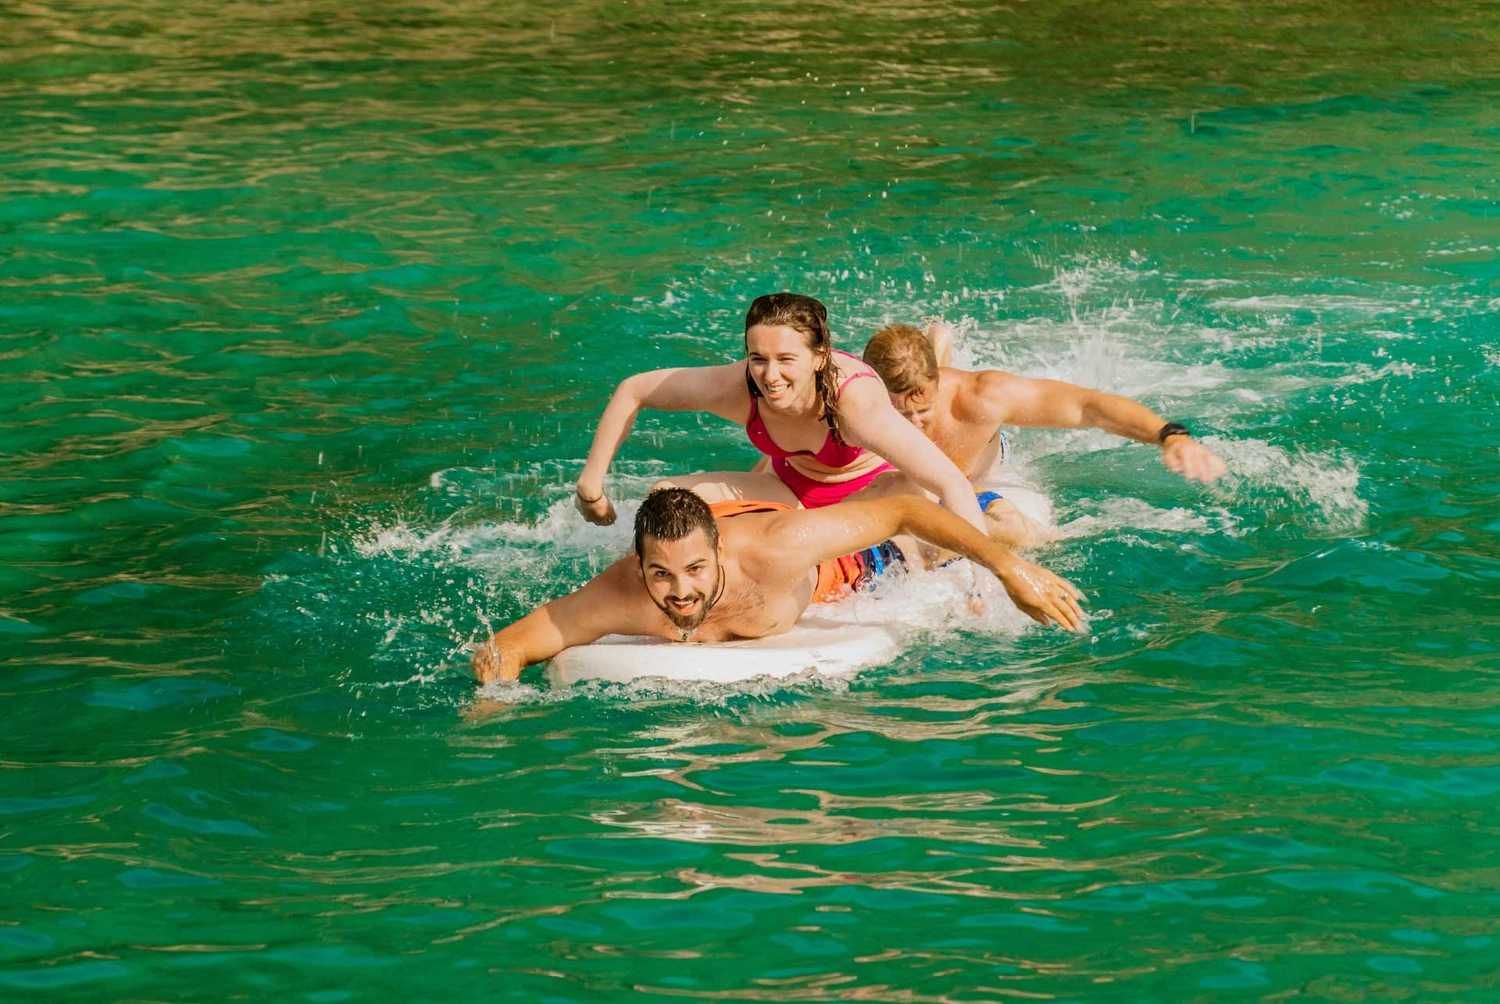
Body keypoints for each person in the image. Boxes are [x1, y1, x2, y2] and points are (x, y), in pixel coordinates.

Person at [472, 488, 1085, 683]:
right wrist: (490, 702)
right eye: (660, 574)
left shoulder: (772, 547)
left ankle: (1000, 508)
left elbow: (901, 510)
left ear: (718, 552)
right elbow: (509, 647)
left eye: (693, 570)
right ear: (639, 563)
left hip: (859, 568)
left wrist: (1010, 571)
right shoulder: (619, 592)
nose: (679, 591)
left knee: (927, 551)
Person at [573, 293, 989, 535]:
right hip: (791, 487)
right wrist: (590, 486)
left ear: (819, 358)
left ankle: (939, 350)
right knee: (663, 499)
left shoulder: (856, 405)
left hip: (871, 491)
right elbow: (634, 390)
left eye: (786, 359)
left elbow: (951, 482)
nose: (770, 376)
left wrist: (982, 583)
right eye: (758, 358)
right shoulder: (738, 387)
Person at [862, 322, 1230, 547]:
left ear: (938, 388)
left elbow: (1088, 407)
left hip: (981, 464)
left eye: (923, 412)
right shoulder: (855, 404)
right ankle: (936, 346)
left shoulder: (982, 396)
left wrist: (1170, 435)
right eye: (899, 413)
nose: (911, 427)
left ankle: (938, 349)